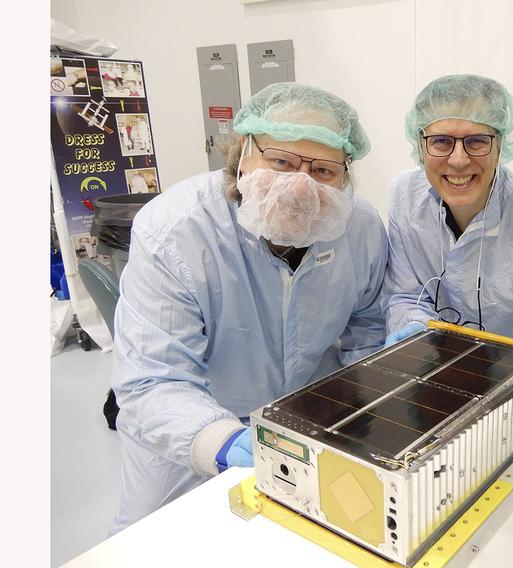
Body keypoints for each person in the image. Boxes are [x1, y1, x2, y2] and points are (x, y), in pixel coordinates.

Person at [109, 82, 388, 532]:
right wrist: (225, 442)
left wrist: (367, 401)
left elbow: (367, 328)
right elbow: (152, 382)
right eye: (281, 162)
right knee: (152, 543)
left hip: (304, 425)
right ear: (242, 155)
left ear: (346, 175)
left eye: (322, 170)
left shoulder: (360, 227)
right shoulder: (177, 232)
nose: (300, 185)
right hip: (187, 436)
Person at [383, 73, 513, 350]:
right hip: (434, 367)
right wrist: (415, 329)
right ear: (421, 147)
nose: (459, 160)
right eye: (441, 141)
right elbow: (405, 295)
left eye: (476, 141)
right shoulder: (405, 199)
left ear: (499, 147)